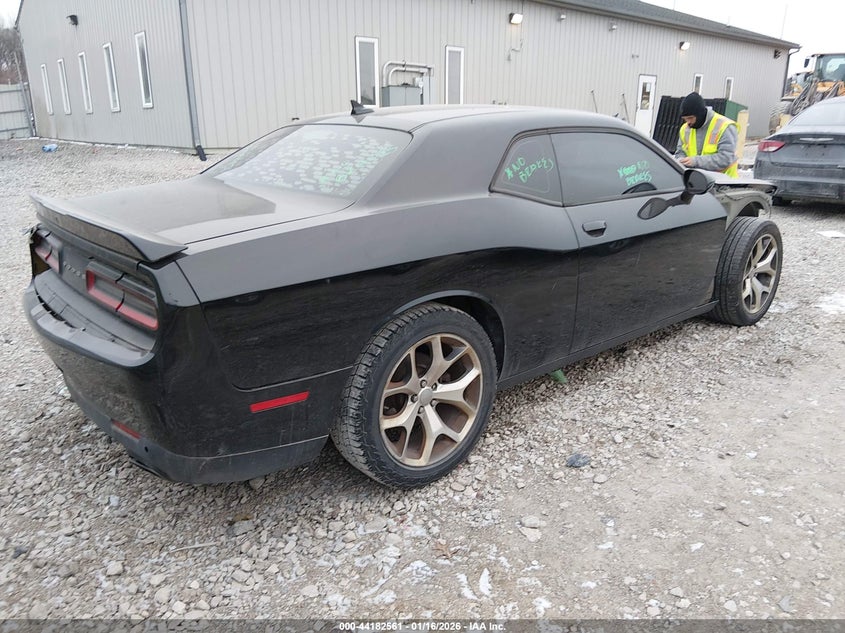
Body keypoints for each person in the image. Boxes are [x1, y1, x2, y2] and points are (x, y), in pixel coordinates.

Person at [674, 92, 738, 178]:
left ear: (700, 114)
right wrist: (680, 160)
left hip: (724, 183)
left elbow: (726, 158)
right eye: (685, 119)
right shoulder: (685, 129)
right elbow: (680, 152)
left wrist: (696, 161)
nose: (687, 122)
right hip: (698, 182)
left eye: (690, 118)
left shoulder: (724, 126)